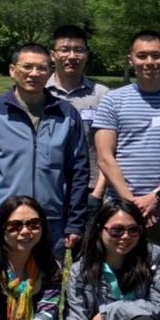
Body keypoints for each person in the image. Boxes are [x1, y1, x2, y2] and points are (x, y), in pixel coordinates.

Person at [0, 42, 91, 254]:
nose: (34, 73)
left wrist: (75, 222)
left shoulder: (66, 114)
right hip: (6, 221)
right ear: (12, 70)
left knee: (49, 276)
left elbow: (79, 171)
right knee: (3, 276)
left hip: (51, 222)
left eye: (41, 68)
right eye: (27, 67)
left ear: (49, 72)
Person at [93, 31, 160, 252]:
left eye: (156, 55)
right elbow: (105, 157)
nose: (149, 62)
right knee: (118, 262)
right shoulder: (112, 100)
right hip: (120, 203)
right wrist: (133, 203)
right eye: (142, 56)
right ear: (131, 59)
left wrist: (156, 196)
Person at [46, 24, 111, 215]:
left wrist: (98, 192)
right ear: (52, 55)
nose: (72, 56)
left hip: (90, 187)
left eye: (79, 50)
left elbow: (111, 149)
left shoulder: (103, 95)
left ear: (87, 55)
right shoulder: (40, 92)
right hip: (47, 185)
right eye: (65, 50)